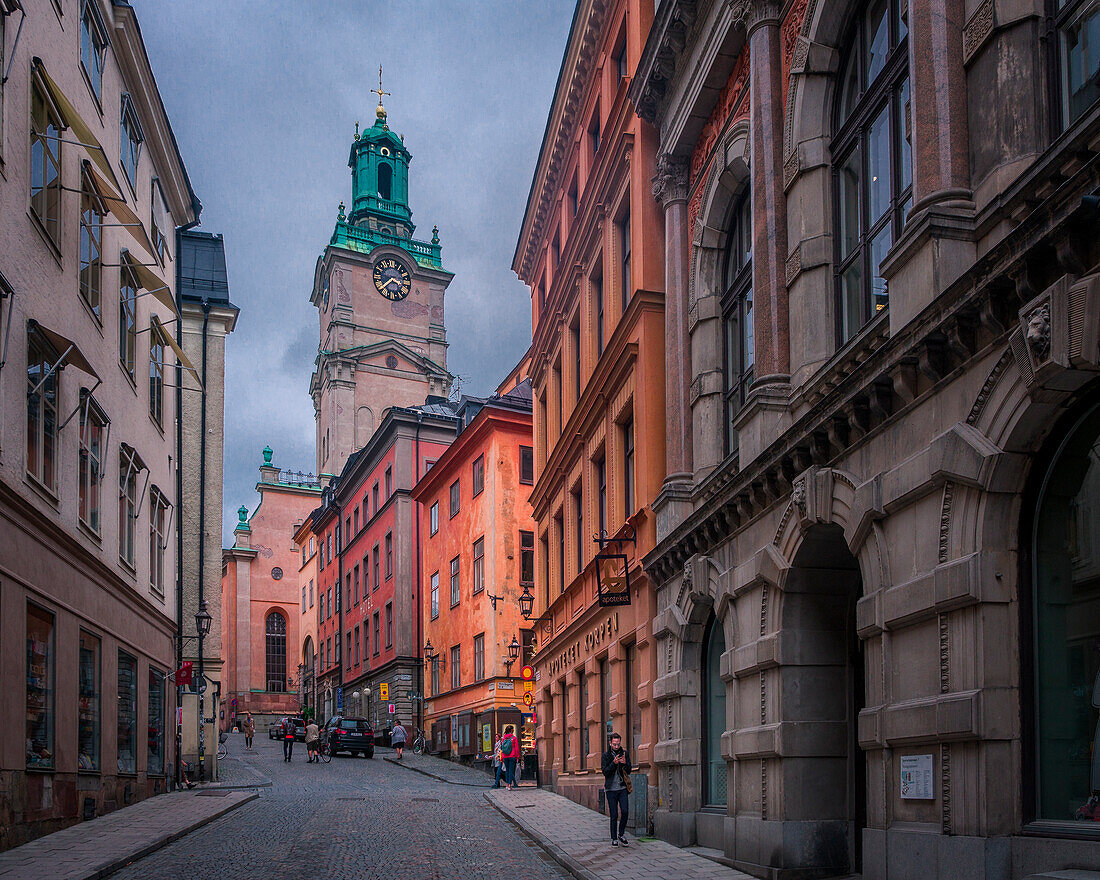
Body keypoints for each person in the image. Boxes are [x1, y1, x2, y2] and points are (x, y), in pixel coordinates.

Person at [601, 732, 631, 847]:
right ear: (610, 743)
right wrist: (613, 763)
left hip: (622, 788)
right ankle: (614, 838)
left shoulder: (624, 754)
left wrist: (624, 763)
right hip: (610, 789)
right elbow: (605, 772)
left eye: (618, 744)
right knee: (613, 815)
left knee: (625, 811)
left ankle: (621, 833)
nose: (616, 746)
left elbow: (628, 771)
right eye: (614, 744)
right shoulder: (606, 756)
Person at [500, 724, 520, 790]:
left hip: (505, 756)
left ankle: (506, 785)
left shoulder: (503, 738)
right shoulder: (514, 738)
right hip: (512, 756)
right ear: (512, 730)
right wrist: (517, 756)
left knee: (507, 771)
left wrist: (502, 757)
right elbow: (516, 748)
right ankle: (509, 785)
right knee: (511, 771)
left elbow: (502, 748)